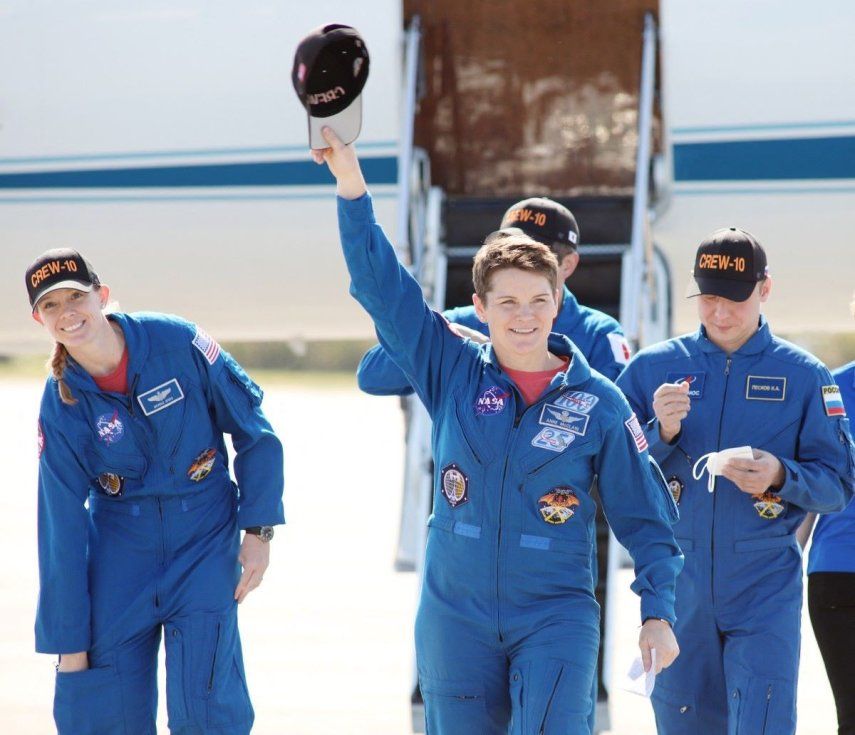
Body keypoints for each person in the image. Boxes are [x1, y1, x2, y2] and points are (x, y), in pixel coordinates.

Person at [315, 127, 682, 734]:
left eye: (538, 301)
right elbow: (380, 286)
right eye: (507, 303)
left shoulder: (599, 402)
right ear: (478, 310)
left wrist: (658, 613)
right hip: (454, 616)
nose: (524, 316)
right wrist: (351, 184)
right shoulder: (450, 369)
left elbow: (646, 518)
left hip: (554, 615)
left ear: (559, 301)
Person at [28, 249, 285, 734]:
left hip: (203, 542)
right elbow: (59, 526)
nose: (68, 313)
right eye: (51, 306)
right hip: (121, 550)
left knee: (208, 708)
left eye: (76, 297)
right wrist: (70, 645)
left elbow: (255, 433)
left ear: (101, 296)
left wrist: (260, 530)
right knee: (102, 713)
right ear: (38, 318)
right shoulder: (61, 400)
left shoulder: (179, 342)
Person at [616, 228, 854, 734]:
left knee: (764, 724)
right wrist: (660, 433)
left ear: (765, 289)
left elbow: (836, 484)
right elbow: (607, 475)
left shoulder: (804, 377)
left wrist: (781, 475)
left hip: (765, 583)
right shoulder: (652, 370)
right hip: (679, 584)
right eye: (708, 298)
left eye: (735, 299)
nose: (720, 313)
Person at [356, 196, 631, 395]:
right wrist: (459, 342)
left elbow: (614, 419)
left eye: (534, 256)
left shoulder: (599, 334)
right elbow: (372, 375)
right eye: (508, 252)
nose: (517, 264)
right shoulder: (463, 323)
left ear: (567, 265)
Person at [798, 297, 855, 735]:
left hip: (834, 574)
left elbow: (807, 487)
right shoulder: (829, 391)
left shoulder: (829, 388)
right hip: (838, 573)